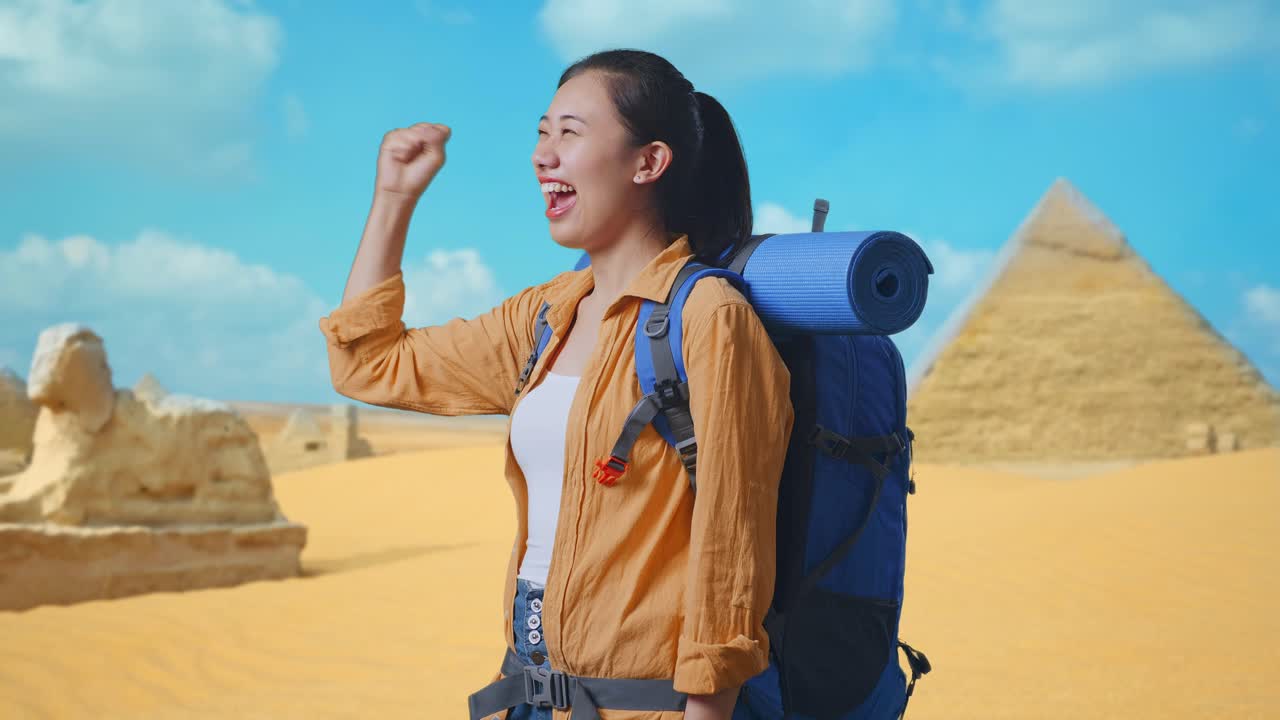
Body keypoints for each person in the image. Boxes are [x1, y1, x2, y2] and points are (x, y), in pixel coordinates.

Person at [318, 49, 793, 720]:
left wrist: (708, 711)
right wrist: (395, 197)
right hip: (530, 689)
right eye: (542, 132)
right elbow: (369, 362)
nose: (544, 154)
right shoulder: (543, 316)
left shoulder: (709, 319)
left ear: (648, 162)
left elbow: (731, 543)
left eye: (570, 132)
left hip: (649, 704)